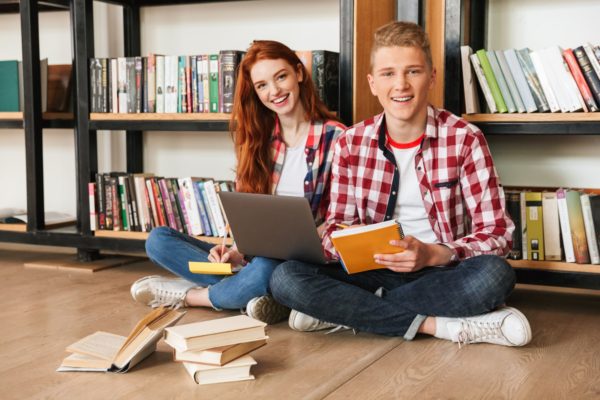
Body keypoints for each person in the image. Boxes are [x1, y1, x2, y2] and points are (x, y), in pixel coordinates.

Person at [270, 21, 532, 347]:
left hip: (441, 271)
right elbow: (337, 226)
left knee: (496, 275)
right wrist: (348, 243)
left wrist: (435, 253)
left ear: (432, 77)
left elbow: (498, 233)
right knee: (285, 278)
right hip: (371, 271)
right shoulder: (351, 143)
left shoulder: (465, 138)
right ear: (372, 83)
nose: (401, 85)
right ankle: (439, 326)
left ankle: (345, 313)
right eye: (388, 74)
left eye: (413, 71)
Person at [130, 40, 346, 323]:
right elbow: (250, 214)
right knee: (158, 240)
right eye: (262, 85)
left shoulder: (338, 137)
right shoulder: (259, 139)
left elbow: (341, 218)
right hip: (253, 258)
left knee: (269, 269)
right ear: (255, 93)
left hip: (298, 263)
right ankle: (252, 293)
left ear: (299, 74)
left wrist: (294, 242)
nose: (275, 91)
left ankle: (191, 296)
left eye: (281, 77)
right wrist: (233, 252)